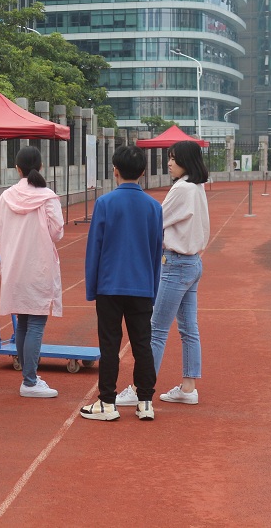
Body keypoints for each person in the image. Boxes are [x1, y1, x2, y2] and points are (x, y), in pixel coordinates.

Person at [117, 140, 210, 407]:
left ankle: (140, 388)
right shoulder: (197, 186)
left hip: (176, 265)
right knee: (188, 329)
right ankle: (188, 387)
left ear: (186, 161)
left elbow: (155, 219)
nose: (169, 163)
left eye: (173, 158)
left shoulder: (181, 188)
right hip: (192, 263)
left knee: (155, 330)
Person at [80, 146, 163, 421]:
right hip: (142, 286)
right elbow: (156, 251)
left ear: (114, 170)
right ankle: (145, 402)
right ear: (143, 172)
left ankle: (107, 402)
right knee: (142, 344)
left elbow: (95, 248)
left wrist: (92, 288)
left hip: (109, 285)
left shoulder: (105, 203)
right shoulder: (154, 207)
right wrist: (153, 288)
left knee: (109, 345)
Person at [0, 146, 64, 398]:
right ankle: (30, 381)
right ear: (41, 167)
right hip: (38, 267)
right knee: (35, 322)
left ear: (18, 169)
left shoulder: (5, 197)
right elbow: (57, 232)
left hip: (14, 267)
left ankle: (29, 377)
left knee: (23, 321)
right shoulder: (48, 197)